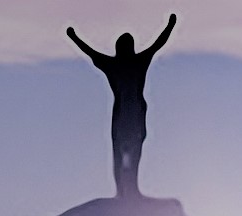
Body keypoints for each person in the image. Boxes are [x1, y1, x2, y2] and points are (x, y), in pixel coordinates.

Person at [67, 13, 176, 197]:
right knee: (124, 150)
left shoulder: (128, 62)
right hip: (128, 113)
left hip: (131, 113)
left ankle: (129, 189)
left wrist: (170, 25)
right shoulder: (123, 63)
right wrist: (73, 37)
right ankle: (123, 191)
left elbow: (159, 42)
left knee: (128, 149)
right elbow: (159, 43)